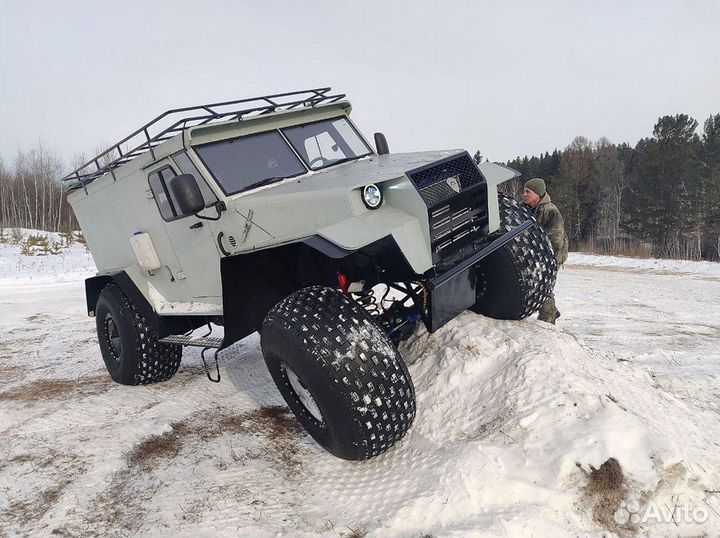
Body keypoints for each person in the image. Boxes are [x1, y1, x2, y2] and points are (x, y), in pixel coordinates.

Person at [522, 178, 568, 324]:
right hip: (536, 253)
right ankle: (552, 310)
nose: (524, 194)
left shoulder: (551, 211)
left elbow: (556, 237)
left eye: (528, 192)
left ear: (538, 194)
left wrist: (545, 258)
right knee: (534, 282)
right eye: (524, 191)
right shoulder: (527, 208)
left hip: (552, 254)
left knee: (543, 283)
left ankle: (548, 315)